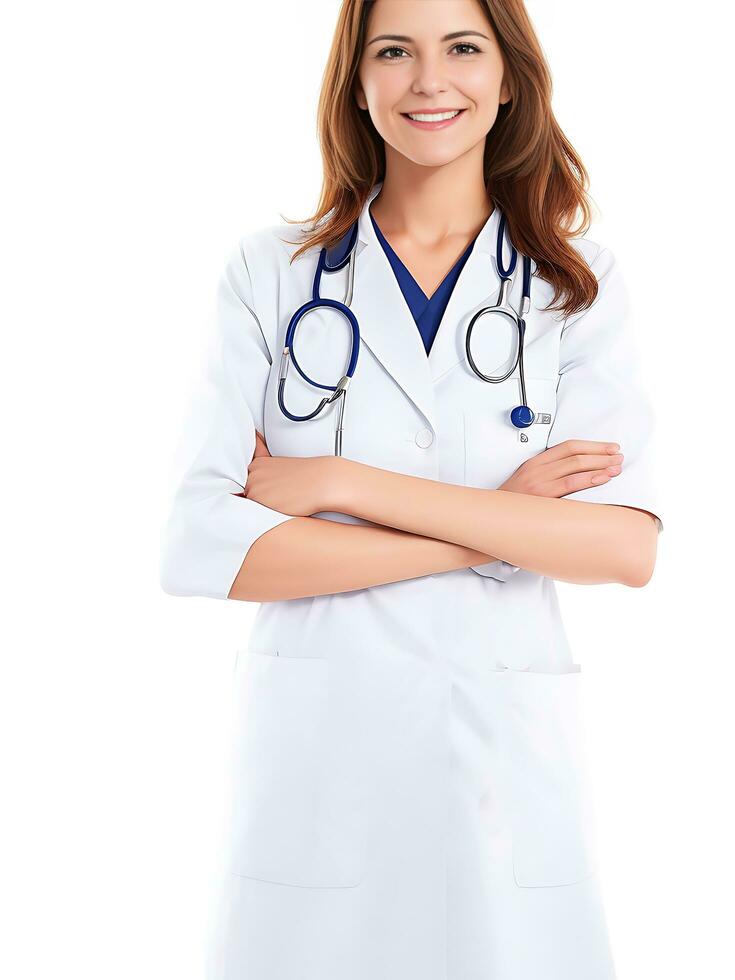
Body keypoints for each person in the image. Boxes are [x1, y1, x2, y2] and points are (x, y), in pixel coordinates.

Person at [159, 1, 663, 977]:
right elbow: (197, 546)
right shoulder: (272, 275)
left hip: (503, 780)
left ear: (509, 75)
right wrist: (503, 526)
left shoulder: (574, 286)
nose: (431, 79)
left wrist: (341, 481)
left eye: (463, 47)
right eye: (396, 50)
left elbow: (621, 548)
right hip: (321, 767)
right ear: (358, 79)